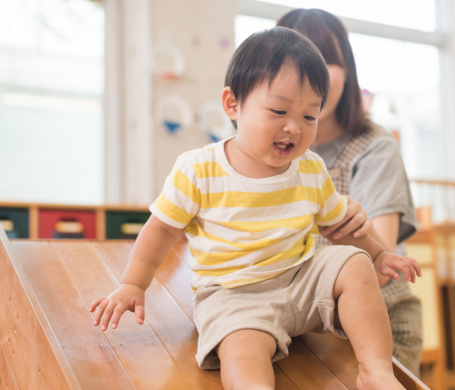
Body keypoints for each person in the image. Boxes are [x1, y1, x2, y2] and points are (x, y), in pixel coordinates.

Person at [89, 27, 421, 390]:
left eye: (310, 117)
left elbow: (339, 222)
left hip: (300, 280)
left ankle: (376, 372)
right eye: (278, 110)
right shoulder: (199, 168)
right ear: (233, 104)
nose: (293, 127)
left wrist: (376, 255)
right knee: (243, 351)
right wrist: (133, 284)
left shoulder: (310, 168)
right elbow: (162, 229)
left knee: (352, 263)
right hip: (236, 296)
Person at [277, 9, 423, 375]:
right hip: (290, 322)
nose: (309, 75)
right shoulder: (266, 148)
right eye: (294, 61)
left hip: (375, 325)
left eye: (324, 61)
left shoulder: (375, 146)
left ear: (348, 70)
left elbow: (381, 265)